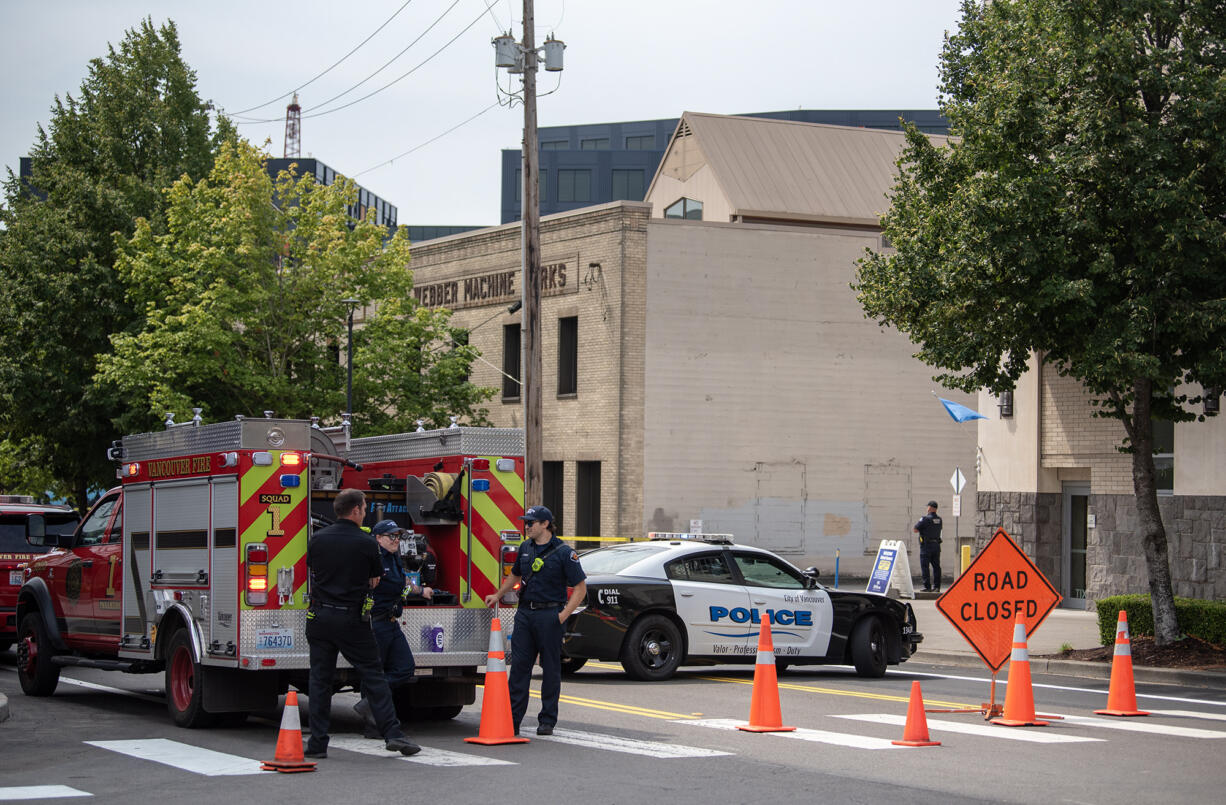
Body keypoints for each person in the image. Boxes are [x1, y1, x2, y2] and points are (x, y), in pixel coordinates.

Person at [304, 489, 421, 758]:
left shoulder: (317, 539)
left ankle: (317, 743)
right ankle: (393, 734)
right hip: (352, 619)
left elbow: (314, 570)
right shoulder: (366, 543)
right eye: (365, 508)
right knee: (374, 676)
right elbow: (375, 579)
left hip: (319, 618)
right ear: (355, 510)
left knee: (319, 681)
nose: (366, 511)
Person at [483, 505, 586, 736]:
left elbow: (580, 589)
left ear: (545, 524)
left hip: (549, 615)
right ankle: (513, 720)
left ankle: (547, 720)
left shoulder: (563, 552)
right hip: (525, 614)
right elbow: (516, 574)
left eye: (531, 523)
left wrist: (562, 616)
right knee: (519, 668)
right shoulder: (526, 547)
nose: (526, 526)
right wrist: (498, 594)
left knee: (550, 668)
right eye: (526, 522)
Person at [352, 520, 434, 737]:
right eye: (391, 536)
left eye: (398, 536)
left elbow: (401, 586)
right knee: (374, 673)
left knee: (405, 667)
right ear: (378, 538)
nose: (396, 540)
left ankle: (368, 703)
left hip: (391, 622)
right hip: (374, 623)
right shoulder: (371, 559)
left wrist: (420, 591)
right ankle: (372, 724)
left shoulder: (393, 557)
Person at [913, 500, 943, 592]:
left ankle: (927, 587)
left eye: (928, 507)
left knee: (925, 567)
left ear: (930, 508)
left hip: (926, 546)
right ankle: (937, 587)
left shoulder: (925, 519)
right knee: (936, 566)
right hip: (936, 545)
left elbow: (915, 529)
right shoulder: (939, 519)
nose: (927, 508)